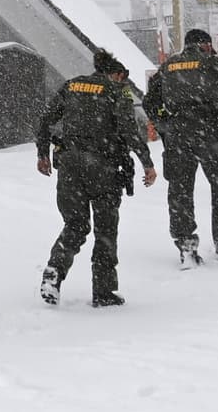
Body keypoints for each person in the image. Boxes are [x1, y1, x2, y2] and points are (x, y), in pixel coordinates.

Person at [36, 49, 156, 307]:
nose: (123, 82)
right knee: (105, 230)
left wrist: (42, 154)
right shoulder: (117, 91)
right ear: (116, 74)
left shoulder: (72, 86)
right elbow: (129, 130)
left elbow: (46, 120)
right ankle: (103, 291)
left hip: (69, 166)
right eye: (123, 77)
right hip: (104, 168)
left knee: (76, 225)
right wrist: (147, 163)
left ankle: (54, 271)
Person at [143, 28, 218, 268]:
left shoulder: (169, 67)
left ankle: (186, 245)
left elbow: (150, 101)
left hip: (179, 136)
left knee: (180, 191)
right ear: (203, 45)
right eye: (209, 46)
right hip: (212, 134)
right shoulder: (215, 64)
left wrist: (165, 125)